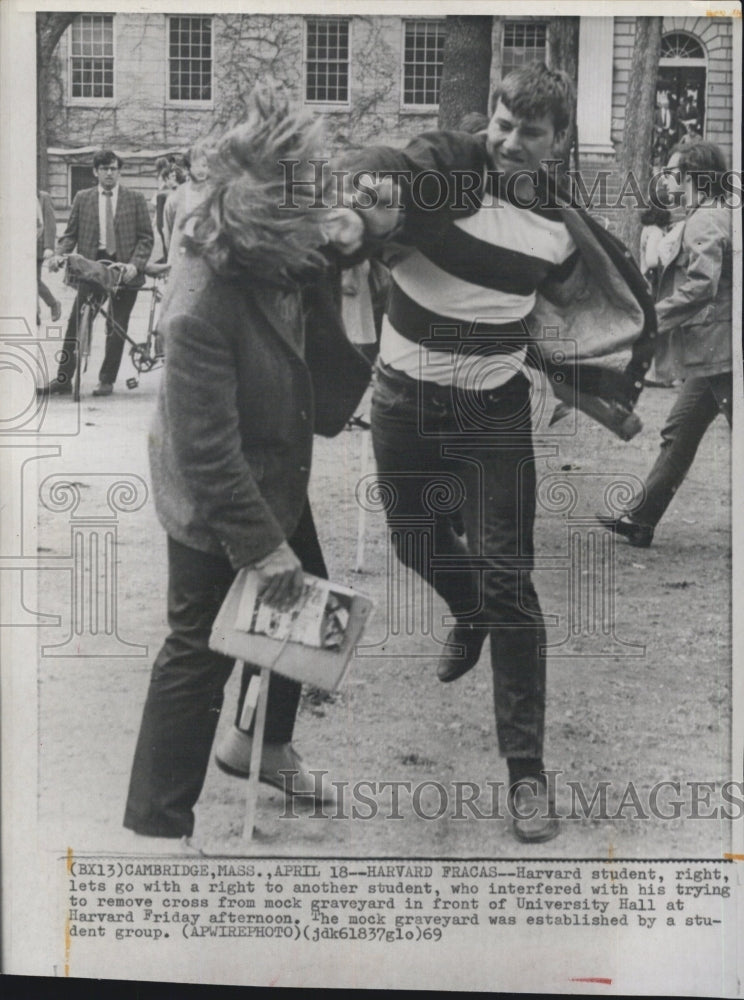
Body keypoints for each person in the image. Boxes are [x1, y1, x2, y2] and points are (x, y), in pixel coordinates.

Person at [340, 62, 655, 843]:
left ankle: (526, 776)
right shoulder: (445, 169)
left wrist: (594, 377)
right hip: (403, 399)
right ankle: (466, 608)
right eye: (504, 124)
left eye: (530, 133)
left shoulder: (559, 228)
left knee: (510, 580)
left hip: (491, 412)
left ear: (558, 142)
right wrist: (365, 200)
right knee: (414, 540)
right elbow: (393, 165)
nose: (510, 142)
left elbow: (582, 308)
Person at [122, 86, 371, 851]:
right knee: (196, 650)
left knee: (304, 606)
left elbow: (332, 244)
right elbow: (206, 453)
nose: (316, 217)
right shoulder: (200, 306)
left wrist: (356, 229)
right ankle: (157, 827)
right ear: (260, 210)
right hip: (213, 498)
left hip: (275, 465)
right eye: (305, 206)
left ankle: (261, 745)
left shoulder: (275, 245)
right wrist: (263, 550)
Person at [597, 142, 732, 548]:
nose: (667, 182)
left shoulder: (706, 219)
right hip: (714, 353)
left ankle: (640, 519)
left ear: (693, 177)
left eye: (673, 174)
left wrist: (651, 319)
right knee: (678, 431)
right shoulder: (713, 213)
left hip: (721, 352)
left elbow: (702, 286)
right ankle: (641, 520)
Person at [38, 150, 154, 398]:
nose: (109, 173)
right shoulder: (83, 198)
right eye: (104, 169)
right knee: (76, 322)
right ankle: (63, 379)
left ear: (119, 171)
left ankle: (106, 380)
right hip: (92, 268)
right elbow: (70, 234)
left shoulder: (135, 198)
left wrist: (135, 265)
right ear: (95, 172)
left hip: (124, 271)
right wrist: (59, 254)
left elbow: (146, 238)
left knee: (116, 325)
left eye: (113, 168)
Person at [163, 140, 212, 265]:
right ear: (188, 168)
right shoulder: (175, 197)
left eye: (204, 165)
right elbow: (168, 231)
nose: (201, 170)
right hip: (181, 259)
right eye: (196, 166)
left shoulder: (215, 196)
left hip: (207, 260)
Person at [37, 190, 61, 323]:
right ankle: (35, 312)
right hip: (19, 247)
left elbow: (50, 223)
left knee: (33, 280)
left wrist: (49, 247)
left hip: (37, 247)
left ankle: (53, 303)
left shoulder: (43, 197)